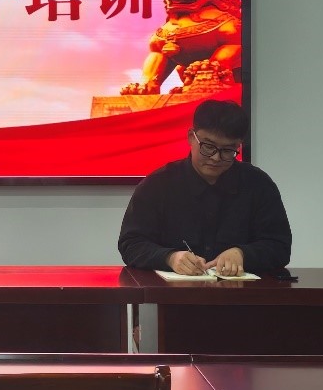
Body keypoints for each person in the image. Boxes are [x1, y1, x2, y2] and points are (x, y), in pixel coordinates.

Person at [118, 99, 292, 276]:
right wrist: (170, 257)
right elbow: (131, 244)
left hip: (242, 291)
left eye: (227, 150)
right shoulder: (158, 184)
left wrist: (242, 254)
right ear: (191, 137)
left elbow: (280, 247)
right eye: (208, 146)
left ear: (238, 145)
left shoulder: (258, 185)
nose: (216, 158)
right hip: (174, 292)